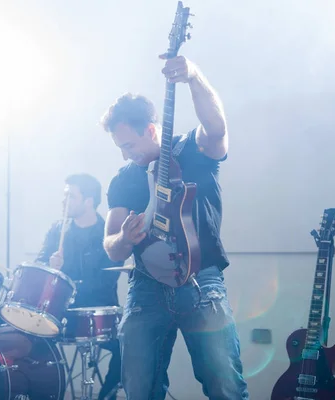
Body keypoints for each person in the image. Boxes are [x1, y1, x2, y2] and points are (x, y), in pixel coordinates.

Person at [100, 54, 249, 399]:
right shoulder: (123, 179)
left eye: (129, 145)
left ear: (151, 130)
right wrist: (124, 237)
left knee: (224, 383)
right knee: (138, 387)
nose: (125, 155)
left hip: (202, 280)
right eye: (119, 148)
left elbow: (217, 128)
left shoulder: (193, 151)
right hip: (146, 287)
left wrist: (194, 76)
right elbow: (110, 244)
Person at [36, 173, 123, 400]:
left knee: (129, 349)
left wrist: (71, 286)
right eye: (64, 196)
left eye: (71, 196)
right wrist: (50, 265)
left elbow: (106, 282)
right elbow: (39, 268)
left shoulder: (109, 235)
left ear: (89, 201)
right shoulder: (58, 230)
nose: (64, 201)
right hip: (60, 314)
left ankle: (106, 397)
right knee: (29, 341)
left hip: (98, 314)